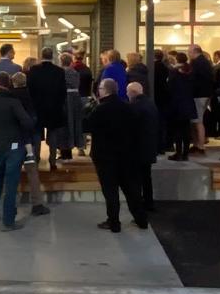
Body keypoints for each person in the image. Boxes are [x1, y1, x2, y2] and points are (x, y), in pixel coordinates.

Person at [86, 77, 146, 232]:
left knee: (110, 191)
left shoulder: (99, 109)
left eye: (100, 88)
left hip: (105, 156)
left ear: (104, 91)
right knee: (131, 189)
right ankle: (141, 219)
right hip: (127, 155)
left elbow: (87, 125)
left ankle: (114, 223)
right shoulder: (128, 107)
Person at [0, 71, 33, 232]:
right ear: (9, 84)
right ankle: (8, 220)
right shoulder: (13, 102)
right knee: (11, 183)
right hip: (14, 145)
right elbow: (27, 122)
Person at [10, 72, 49, 215]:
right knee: (32, 171)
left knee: (12, 171)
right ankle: (37, 204)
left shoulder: (10, 96)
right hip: (31, 139)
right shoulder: (33, 95)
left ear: (13, 82)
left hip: (15, 140)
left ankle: (11, 205)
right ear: (25, 82)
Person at [27, 47, 68, 171]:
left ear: (41, 56)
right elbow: (63, 91)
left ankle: (36, 160)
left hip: (37, 108)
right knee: (53, 135)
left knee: (36, 134)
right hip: (54, 108)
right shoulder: (59, 71)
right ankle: (52, 161)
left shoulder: (34, 70)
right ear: (52, 56)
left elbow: (29, 89)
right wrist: (60, 105)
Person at [127, 81, 160, 214]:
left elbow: (131, 128)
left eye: (128, 92)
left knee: (136, 178)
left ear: (133, 93)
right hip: (149, 146)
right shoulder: (151, 104)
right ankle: (149, 202)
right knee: (146, 177)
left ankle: (138, 205)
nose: (127, 94)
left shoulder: (135, 106)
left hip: (137, 148)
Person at [187, 44, 214, 154]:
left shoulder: (198, 63)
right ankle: (197, 144)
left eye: (189, 51)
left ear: (195, 52)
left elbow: (193, 79)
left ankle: (200, 146)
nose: (188, 54)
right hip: (204, 94)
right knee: (196, 121)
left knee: (198, 121)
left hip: (199, 95)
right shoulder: (204, 61)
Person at [60, 52, 85, 160]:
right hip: (76, 98)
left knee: (66, 124)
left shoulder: (61, 72)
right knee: (76, 123)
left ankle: (65, 148)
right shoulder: (75, 72)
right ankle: (78, 144)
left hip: (65, 98)